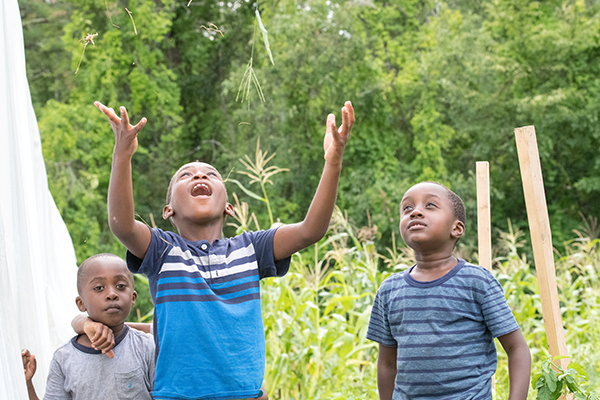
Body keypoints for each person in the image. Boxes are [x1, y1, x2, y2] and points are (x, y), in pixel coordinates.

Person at [94, 100, 354, 400]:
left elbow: (311, 230)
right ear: (168, 210)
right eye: (186, 175)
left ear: (229, 207)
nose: (200, 176)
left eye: (211, 174)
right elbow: (122, 225)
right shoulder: (163, 251)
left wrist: (333, 163)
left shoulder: (252, 248)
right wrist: (122, 154)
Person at [367, 182, 531, 400]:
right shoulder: (389, 290)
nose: (415, 212)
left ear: (457, 228)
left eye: (430, 205)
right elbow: (387, 364)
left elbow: (517, 348)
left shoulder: (477, 282)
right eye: (407, 208)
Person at [21, 253, 155, 400]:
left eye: (120, 286)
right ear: (81, 303)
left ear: (133, 298)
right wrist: (27, 383)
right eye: (98, 288)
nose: (111, 294)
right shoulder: (64, 358)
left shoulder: (147, 347)